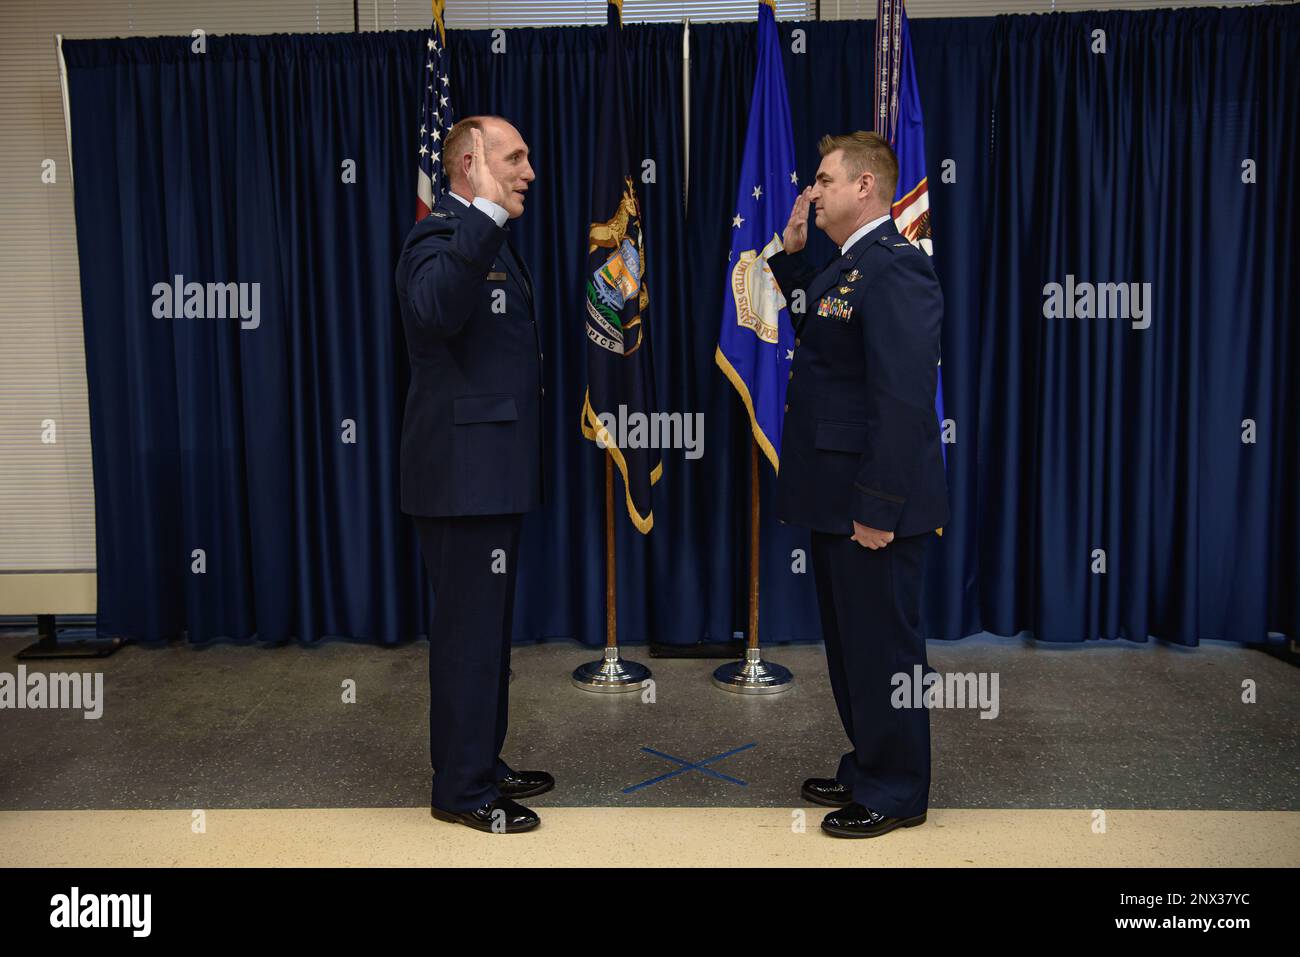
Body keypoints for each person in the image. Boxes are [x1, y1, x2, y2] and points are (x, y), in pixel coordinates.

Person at [766, 131, 949, 838]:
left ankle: (897, 788)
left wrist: (877, 507)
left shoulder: (896, 268)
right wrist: (788, 252)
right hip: (837, 497)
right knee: (852, 648)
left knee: (884, 649)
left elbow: (904, 400)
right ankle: (870, 762)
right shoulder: (849, 266)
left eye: (823, 180)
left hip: (875, 505)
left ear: (864, 186)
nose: (813, 190)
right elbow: (819, 325)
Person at [394, 115, 551, 834]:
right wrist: (485, 215)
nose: (527, 171)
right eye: (513, 159)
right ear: (469, 165)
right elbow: (434, 309)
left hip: (489, 474)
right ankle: (461, 787)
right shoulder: (437, 236)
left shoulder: (486, 237)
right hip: (461, 482)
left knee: (487, 633)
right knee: (467, 636)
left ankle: (481, 760)